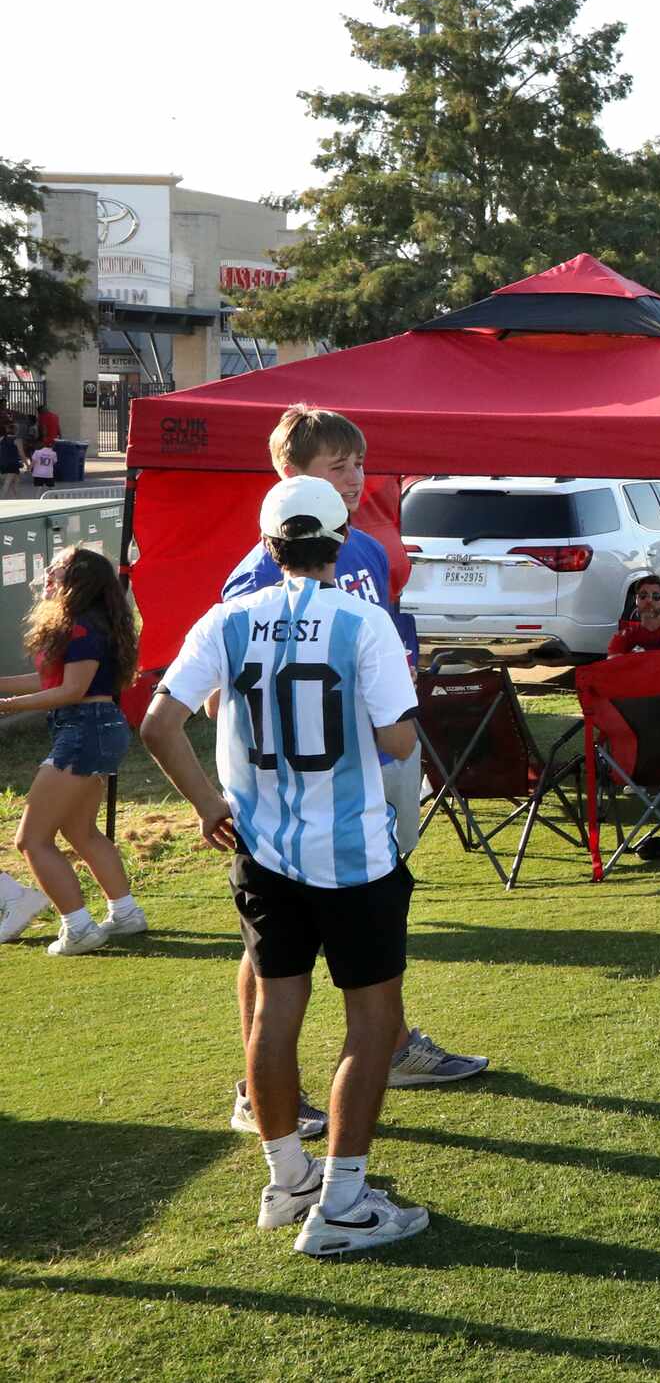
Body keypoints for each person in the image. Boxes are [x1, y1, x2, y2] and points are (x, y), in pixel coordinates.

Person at [140, 475, 434, 1255]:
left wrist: (208, 805)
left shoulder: (228, 618)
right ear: (341, 541)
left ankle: (287, 1178)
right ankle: (340, 1201)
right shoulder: (363, 621)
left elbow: (159, 723)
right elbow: (400, 741)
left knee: (273, 1012)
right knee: (372, 1022)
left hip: (261, 849)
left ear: (268, 546)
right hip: (354, 851)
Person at [219, 406, 484, 1131]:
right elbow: (229, 695)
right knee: (277, 944)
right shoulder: (257, 575)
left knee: (371, 924)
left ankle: (391, 1045)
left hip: (372, 769)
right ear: (289, 476)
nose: (354, 479)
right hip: (301, 790)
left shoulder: (360, 547)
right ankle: (257, 1090)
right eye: (338, 468)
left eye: (358, 466)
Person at [1, 547, 145, 954]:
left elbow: (71, 690)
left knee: (31, 840)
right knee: (79, 830)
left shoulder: (82, 627)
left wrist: (7, 708)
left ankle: (78, 927)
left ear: (78, 579)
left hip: (85, 731)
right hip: (94, 731)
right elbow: (49, 679)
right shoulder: (84, 624)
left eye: (57, 568)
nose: (48, 573)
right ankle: (125, 913)